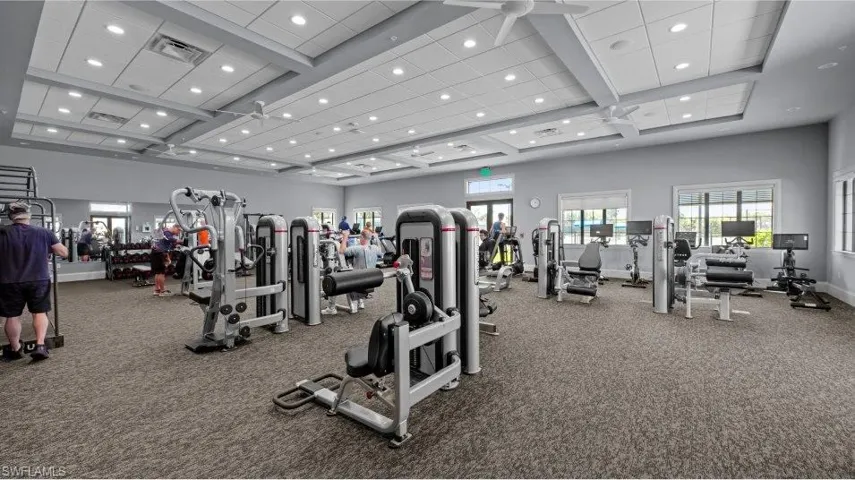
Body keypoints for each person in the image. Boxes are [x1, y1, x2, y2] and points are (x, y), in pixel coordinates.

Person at [0, 201, 68, 361]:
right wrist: (45, 247)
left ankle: (15, 349)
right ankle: (40, 346)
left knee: (12, 316)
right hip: (38, 280)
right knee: (39, 313)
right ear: (28, 215)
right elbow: (64, 252)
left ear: (11, 216)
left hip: (9, 281)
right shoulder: (44, 232)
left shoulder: (2, 233)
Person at [339, 230, 383, 314]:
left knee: (346, 281)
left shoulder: (358, 248)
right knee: (360, 273)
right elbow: (380, 252)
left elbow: (341, 251)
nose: (359, 239)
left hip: (359, 281)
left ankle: (354, 307)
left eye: (360, 237)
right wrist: (377, 238)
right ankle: (361, 302)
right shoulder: (375, 248)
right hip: (371, 280)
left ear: (362, 237)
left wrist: (345, 236)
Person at [151, 224, 181, 297]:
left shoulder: (165, 232)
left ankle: (157, 290)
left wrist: (175, 245)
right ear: (174, 227)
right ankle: (162, 291)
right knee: (161, 273)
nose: (178, 233)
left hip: (155, 252)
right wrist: (180, 241)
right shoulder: (167, 232)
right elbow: (169, 239)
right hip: (160, 254)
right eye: (178, 230)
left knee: (158, 273)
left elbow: (167, 242)